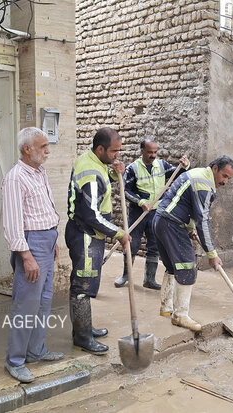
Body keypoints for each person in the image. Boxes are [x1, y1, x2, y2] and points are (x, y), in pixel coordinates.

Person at [2, 127, 62, 383]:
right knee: (26, 304)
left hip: (46, 240)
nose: (47, 151)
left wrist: (53, 240)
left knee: (45, 300)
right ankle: (14, 361)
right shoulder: (16, 178)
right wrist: (26, 255)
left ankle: (36, 351)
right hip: (31, 244)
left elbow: (44, 209)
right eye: (43, 147)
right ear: (27, 149)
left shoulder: (39, 173)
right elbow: (14, 222)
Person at [66, 127, 131, 355]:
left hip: (88, 233)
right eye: (114, 151)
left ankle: (83, 329)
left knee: (87, 282)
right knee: (83, 286)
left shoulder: (93, 161)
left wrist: (113, 174)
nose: (117, 156)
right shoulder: (90, 172)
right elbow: (90, 214)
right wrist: (119, 233)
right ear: (100, 148)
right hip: (85, 234)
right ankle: (82, 338)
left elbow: (100, 181)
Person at [153, 155, 233, 332]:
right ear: (215, 168)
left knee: (172, 266)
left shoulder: (199, 174)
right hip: (171, 224)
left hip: (161, 220)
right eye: (224, 176)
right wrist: (212, 255)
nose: (225, 181)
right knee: (187, 266)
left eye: (229, 178)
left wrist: (189, 227)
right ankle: (180, 316)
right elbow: (203, 220)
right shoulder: (203, 184)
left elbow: (187, 205)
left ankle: (166, 307)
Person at [114, 138, 190, 290]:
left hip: (156, 212)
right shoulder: (133, 168)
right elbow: (125, 190)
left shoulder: (161, 165)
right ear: (142, 151)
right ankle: (126, 276)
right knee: (132, 244)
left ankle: (149, 279)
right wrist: (140, 202)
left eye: (155, 152)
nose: (153, 155)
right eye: (149, 152)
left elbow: (178, 174)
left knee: (154, 246)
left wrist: (186, 166)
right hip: (138, 212)